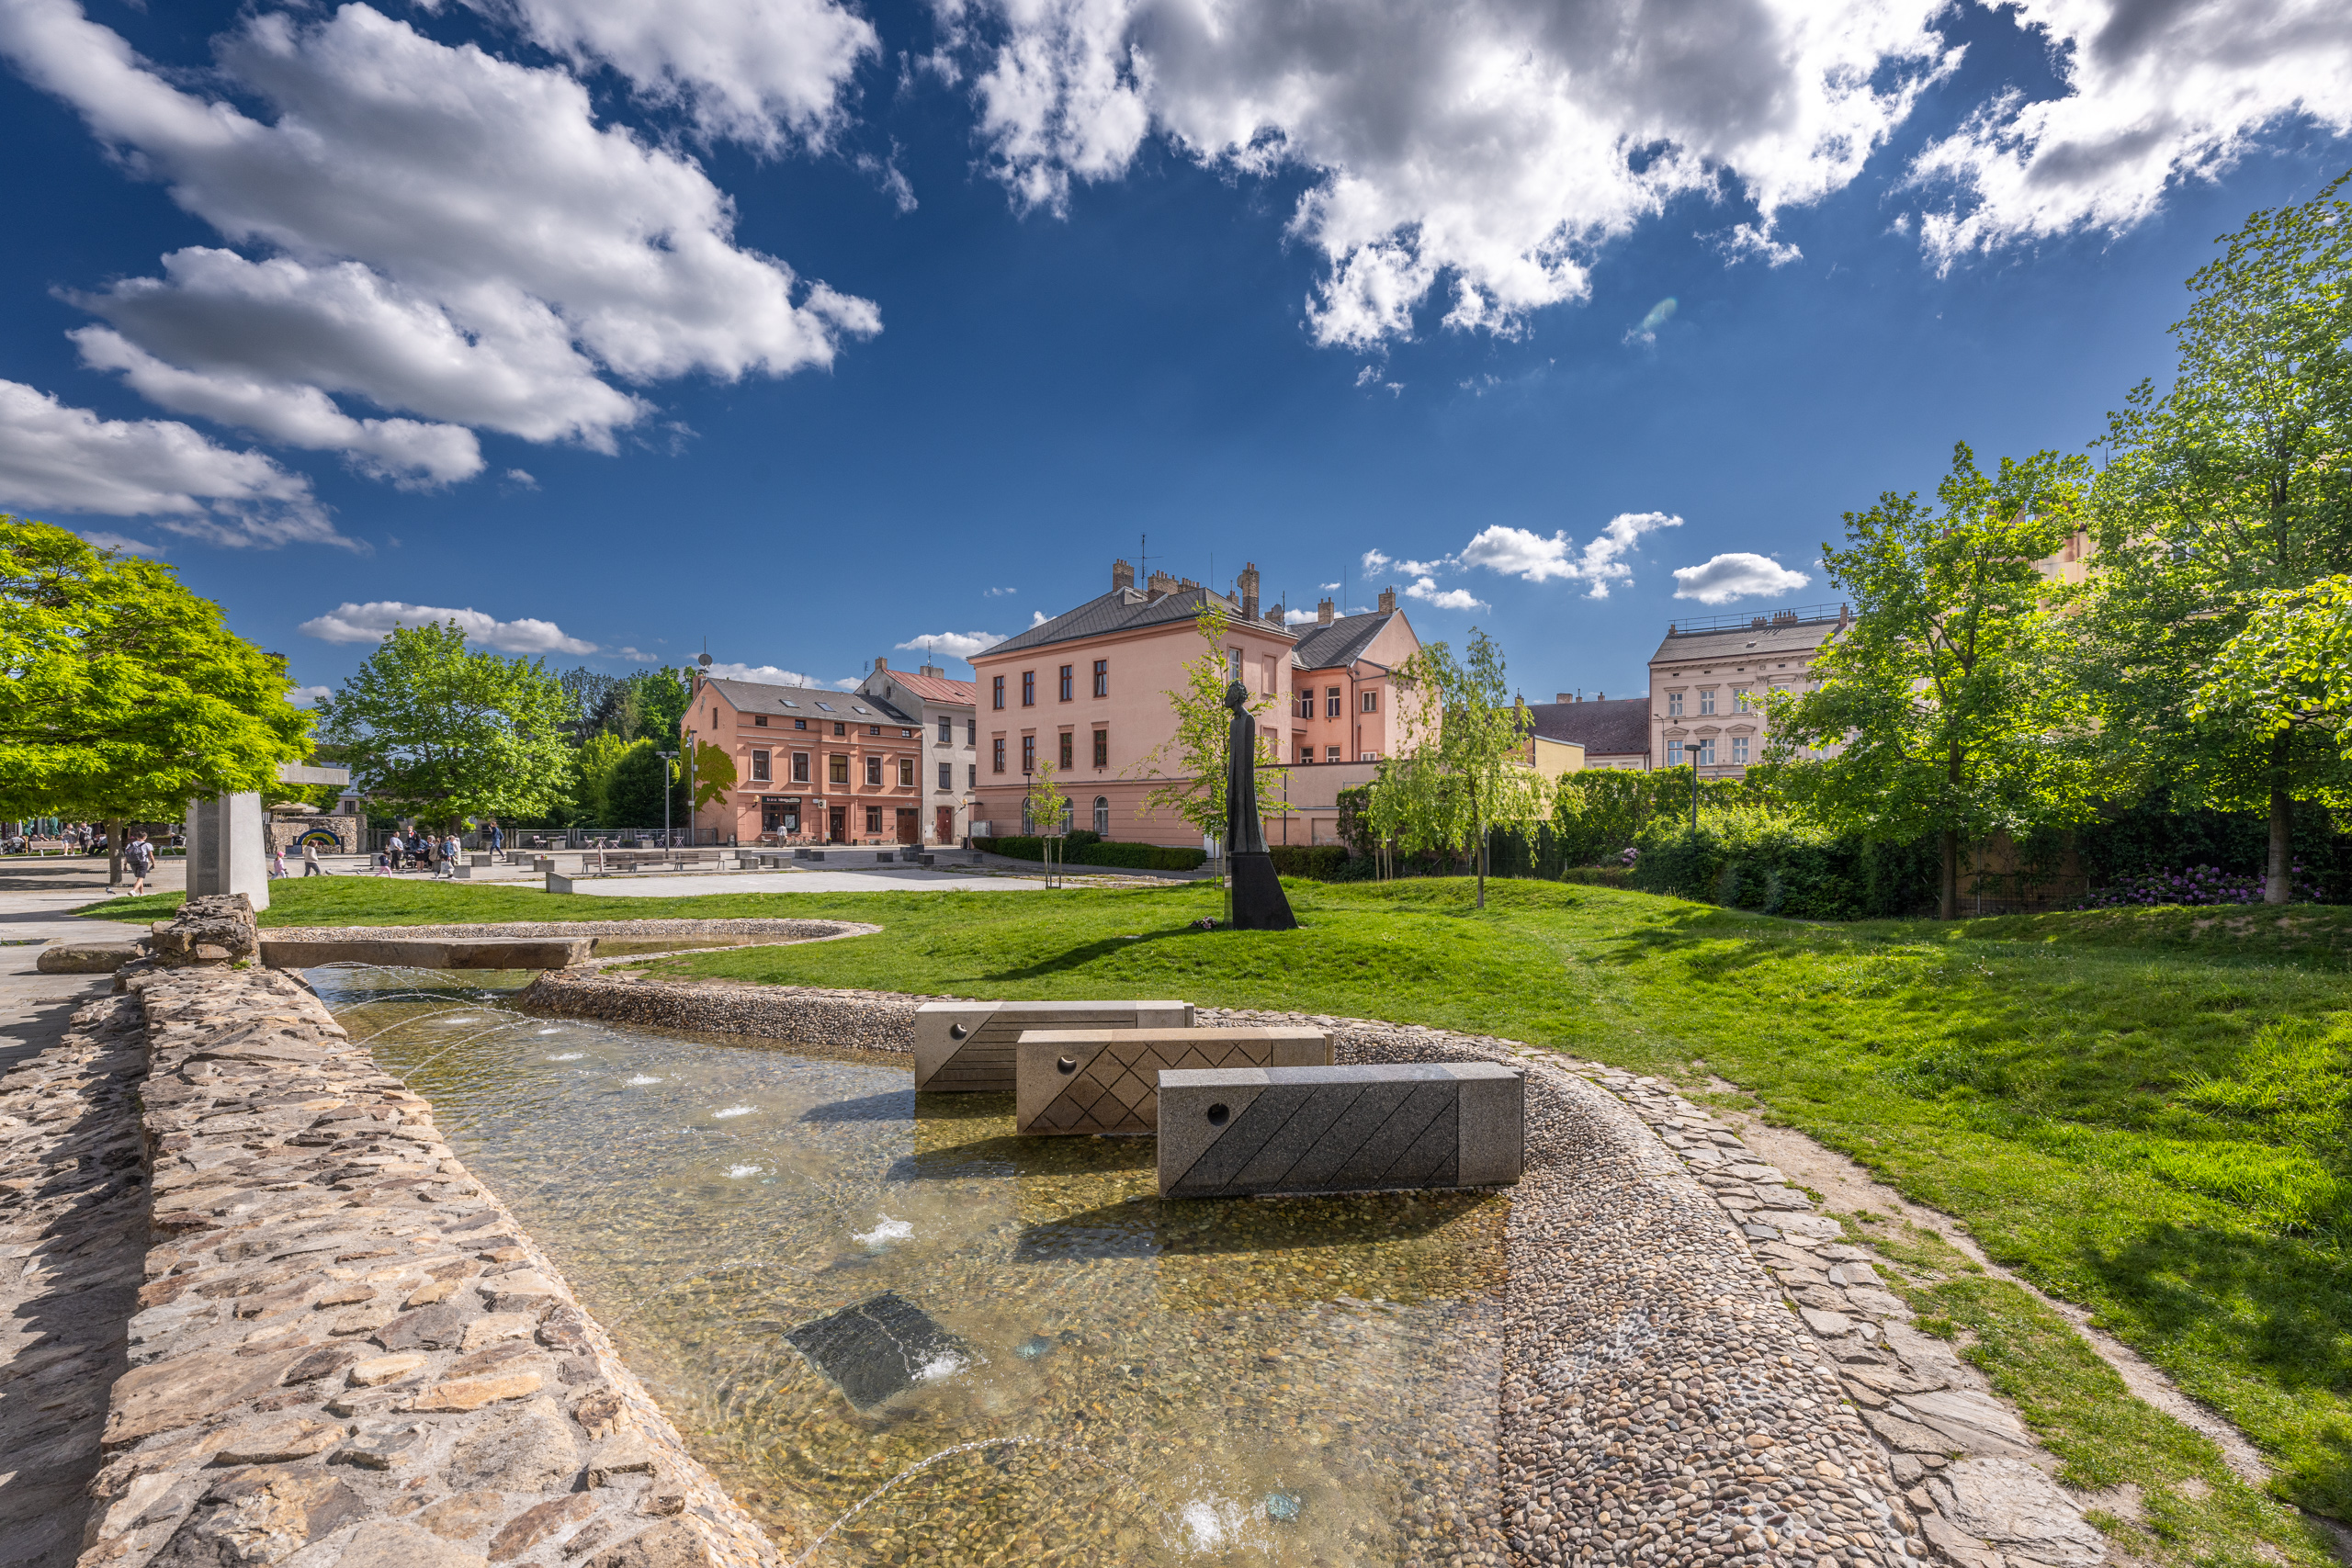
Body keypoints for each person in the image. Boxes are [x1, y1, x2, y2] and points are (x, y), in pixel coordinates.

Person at [123, 829, 155, 897]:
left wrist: (125, 865)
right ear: (144, 837)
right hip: (143, 862)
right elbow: (151, 856)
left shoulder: (130, 844)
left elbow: (127, 855)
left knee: (139, 878)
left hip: (132, 862)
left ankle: (141, 893)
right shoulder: (147, 845)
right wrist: (153, 863)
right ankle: (133, 891)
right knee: (141, 878)